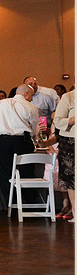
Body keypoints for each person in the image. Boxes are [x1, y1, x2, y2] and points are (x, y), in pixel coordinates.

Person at [0, 84, 40, 208]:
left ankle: (10, 205)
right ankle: (28, 203)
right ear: (26, 94)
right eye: (31, 95)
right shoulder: (31, 107)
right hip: (23, 142)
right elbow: (35, 130)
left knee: (6, 175)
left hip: (4, 142)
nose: (32, 99)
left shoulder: (0, 104)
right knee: (26, 173)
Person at [53, 89, 75, 223]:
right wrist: (72, 119)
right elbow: (58, 120)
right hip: (71, 142)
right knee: (72, 179)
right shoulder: (68, 97)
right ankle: (75, 212)